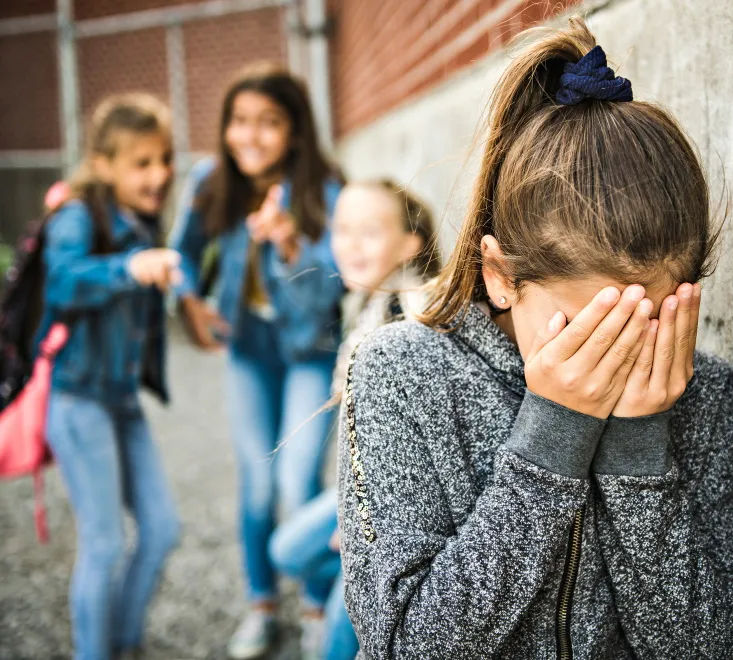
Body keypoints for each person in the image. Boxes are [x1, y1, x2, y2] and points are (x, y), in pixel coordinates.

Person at [338, 17, 733, 660]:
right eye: (589, 328)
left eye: (646, 323)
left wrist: (637, 447)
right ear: (501, 276)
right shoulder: (401, 374)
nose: (618, 356)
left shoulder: (700, 395)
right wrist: (552, 438)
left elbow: (725, 651)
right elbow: (405, 647)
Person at [169, 62, 344, 659]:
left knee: (298, 481)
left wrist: (289, 243)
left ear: (295, 132)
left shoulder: (325, 189)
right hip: (248, 351)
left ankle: (320, 600)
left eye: (269, 123)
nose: (250, 135)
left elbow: (329, 293)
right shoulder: (210, 180)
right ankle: (262, 603)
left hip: (308, 352)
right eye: (240, 121)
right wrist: (188, 303)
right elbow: (182, 254)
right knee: (259, 486)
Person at [269, 179, 440, 660]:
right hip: (361, 492)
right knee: (287, 551)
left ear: (410, 244)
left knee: (340, 639)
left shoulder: (414, 314)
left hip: (397, 506)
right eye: (342, 229)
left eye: (369, 231)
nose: (351, 244)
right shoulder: (366, 304)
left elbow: (422, 442)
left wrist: (361, 519)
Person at [41, 93, 181, 660]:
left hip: (121, 401)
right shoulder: (78, 215)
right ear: (104, 164)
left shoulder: (145, 222)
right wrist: (128, 267)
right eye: (142, 162)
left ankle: (122, 643)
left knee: (162, 529)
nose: (159, 173)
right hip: (77, 401)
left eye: (164, 158)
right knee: (102, 543)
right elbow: (63, 282)